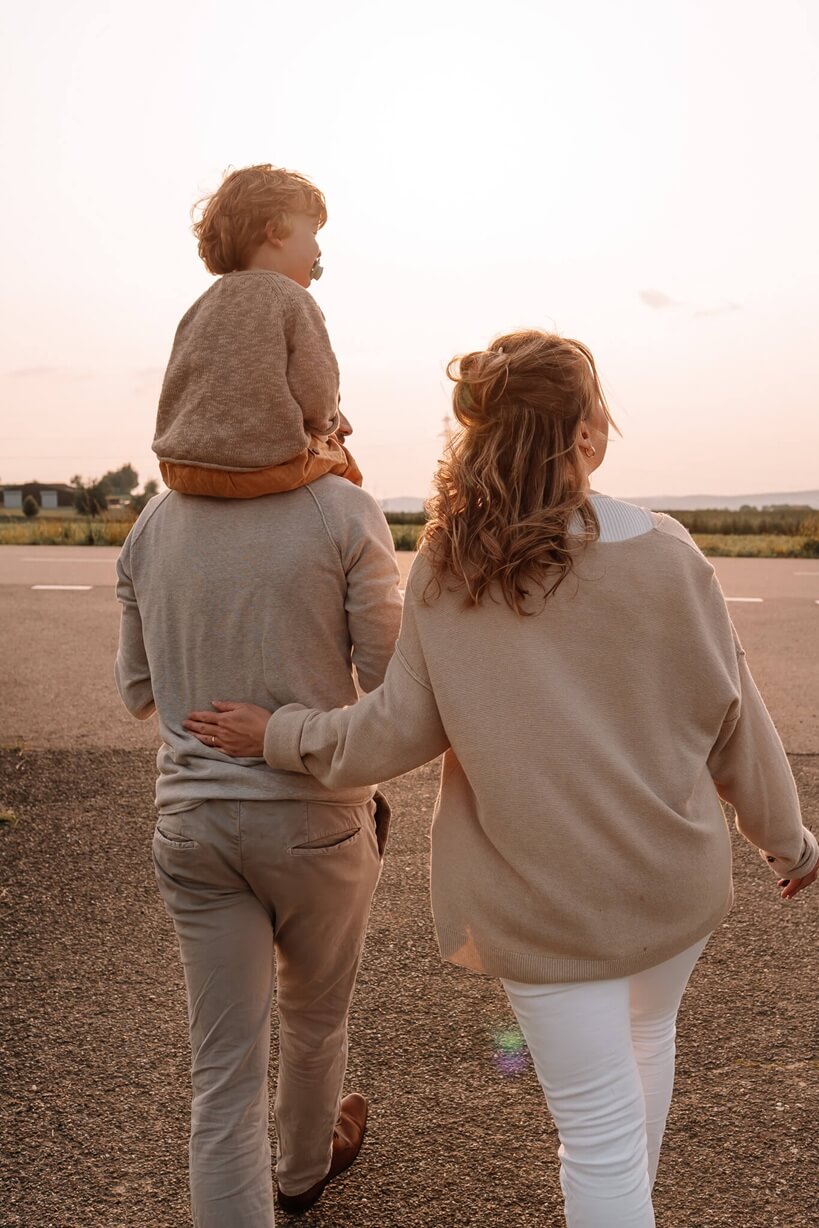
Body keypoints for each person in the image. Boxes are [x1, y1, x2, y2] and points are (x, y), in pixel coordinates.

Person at [185, 329, 819, 1228]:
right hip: (670, 886)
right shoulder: (671, 553)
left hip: (538, 902)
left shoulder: (453, 565)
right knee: (643, 1053)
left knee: (595, 1132)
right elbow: (736, 724)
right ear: (588, 432)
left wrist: (277, 734)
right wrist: (787, 841)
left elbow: (387, 733)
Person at [115, 399, 403, 1223]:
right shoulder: (346, 512)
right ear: (306, 422)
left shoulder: (153, 522)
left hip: (194, 825)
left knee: (222, 1070)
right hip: (316, 821)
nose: (347, 432)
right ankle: (304, 1170)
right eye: (337, 419)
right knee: (315, 1017)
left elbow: (137, 692)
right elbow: (392, 686)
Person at [153, 162, 362, 499]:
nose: (318, 249)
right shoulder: (295, 300)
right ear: (276, 232)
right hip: (266, 468)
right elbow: (318, 394)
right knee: (345, 465)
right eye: (312, 233)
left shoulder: (199, 306)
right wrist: (328, 427)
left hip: (182, 468)